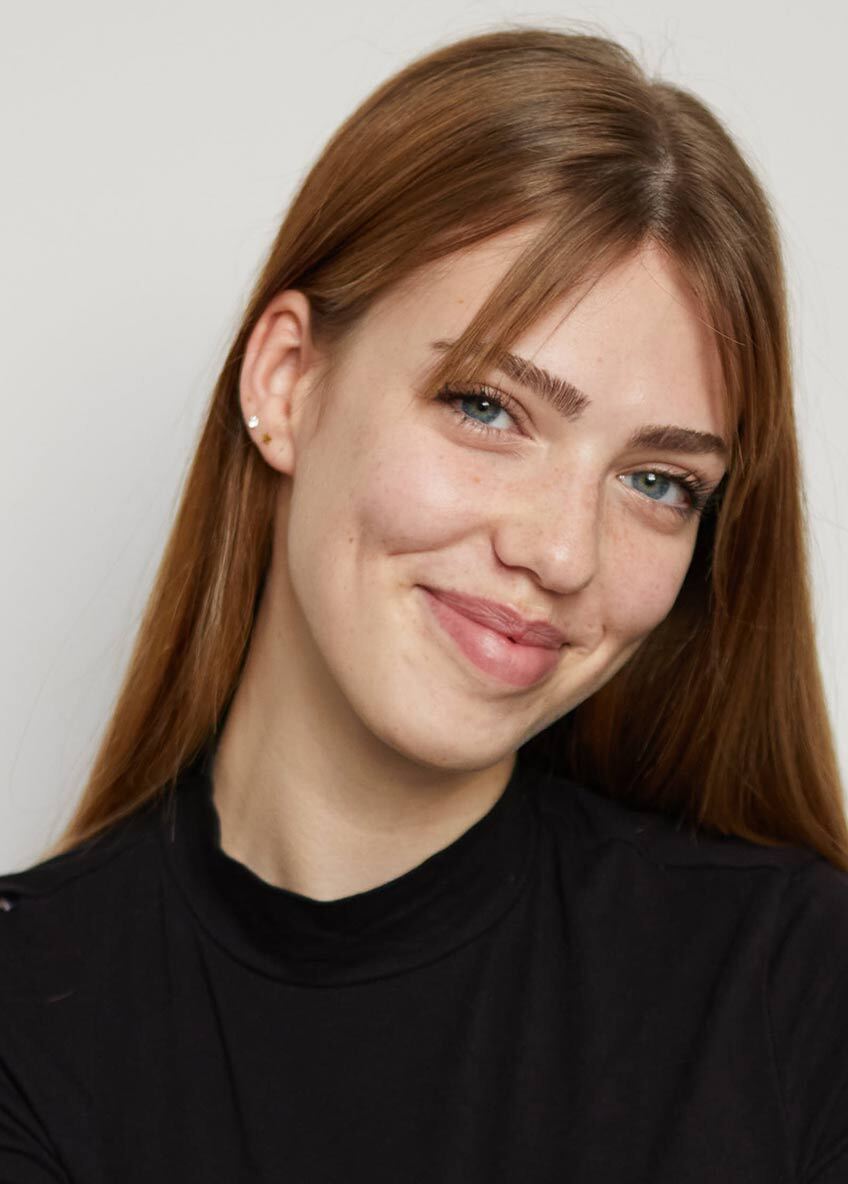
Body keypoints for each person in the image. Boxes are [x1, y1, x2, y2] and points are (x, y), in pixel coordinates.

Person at [1, 23, 846, 1184]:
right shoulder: (29, 1018)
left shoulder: (795, 988)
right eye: (487, 408)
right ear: (286, 381)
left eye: (656, 481)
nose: (561, 551)